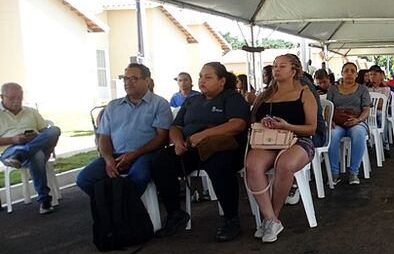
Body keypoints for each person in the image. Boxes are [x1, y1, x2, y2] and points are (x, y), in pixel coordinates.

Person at [151, 62, 250, 241]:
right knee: (161, 162)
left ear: (221, 81)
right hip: (191, 148)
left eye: (208, 77)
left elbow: (238, 124)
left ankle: (231, 219)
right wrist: (178, 142)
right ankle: (175, 213)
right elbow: (176, 126)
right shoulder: (192, 100)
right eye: (200, 77)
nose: (202, 81)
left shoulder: (232, 97)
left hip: (223, 148)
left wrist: (203, 135)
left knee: (219, 167)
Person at [245, 54, 318, 243]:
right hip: (268, 140)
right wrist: (263, 122)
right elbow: (252, 120)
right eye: (275, 66)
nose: (276, 69)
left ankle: (273, 216)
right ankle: (270, 219)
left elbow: (311, 128)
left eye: (282, 66)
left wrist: (287, 126)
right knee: (252, 165)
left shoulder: (304, 93)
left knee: (285, 164)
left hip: (299, 140)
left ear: (294, 71)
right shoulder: (265, 95)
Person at [77, 63, 171, 200]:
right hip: (115, 156)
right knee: (84, 179)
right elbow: (104, 137)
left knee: (138, 178)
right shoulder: (113, 106)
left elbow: (162, 138)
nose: (128, 82)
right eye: (125, 78)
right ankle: (116, 207)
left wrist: (133, 155)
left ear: (147, 81)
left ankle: (119, 208)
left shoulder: (159, 104)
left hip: (144, 155)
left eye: (133, 78)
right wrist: (108, 160)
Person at [0, 82, 61, 214]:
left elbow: (45, 133)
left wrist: (36, 136)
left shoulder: (31, 112)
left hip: (34, 145)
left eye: (19, 98)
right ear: (2, 97)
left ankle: (22, 154)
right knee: (37, 155)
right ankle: (45, 200)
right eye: (12, 98)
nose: (16, 101)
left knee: (54, 130)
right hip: (10, 151)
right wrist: (13, 139)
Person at [326, 62, 371, 185]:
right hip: (337, 122)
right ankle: (334, 173)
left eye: (352, 71)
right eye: (346, 71)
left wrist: (358, 120)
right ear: (341, 73)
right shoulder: (333, 89)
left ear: (356, 74)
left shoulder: (362, 89)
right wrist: (329, 121)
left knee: (358, 134)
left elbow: (366, 110)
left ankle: (353, 172)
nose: (349, 73)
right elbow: (328, 108)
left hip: (356, 121)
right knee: (332, 135)